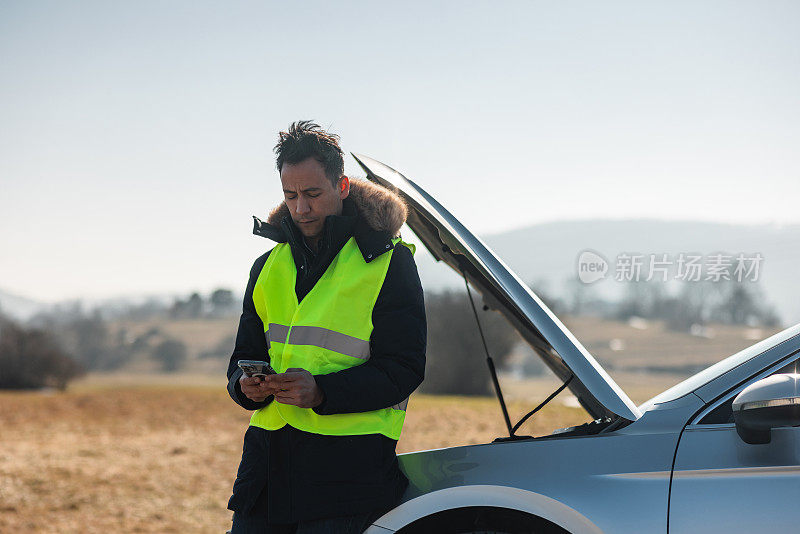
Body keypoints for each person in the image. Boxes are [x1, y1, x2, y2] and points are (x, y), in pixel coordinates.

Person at [225, 121, 426, 534]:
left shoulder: (390, 263)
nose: (301, 208)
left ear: (343, 186)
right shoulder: (266, 267)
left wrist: (321, 392)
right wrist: (244, 387)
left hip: (347, 477)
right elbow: (242, 359)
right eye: (290, 195)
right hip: (264, 475)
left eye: (313, 194)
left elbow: (404, 368)